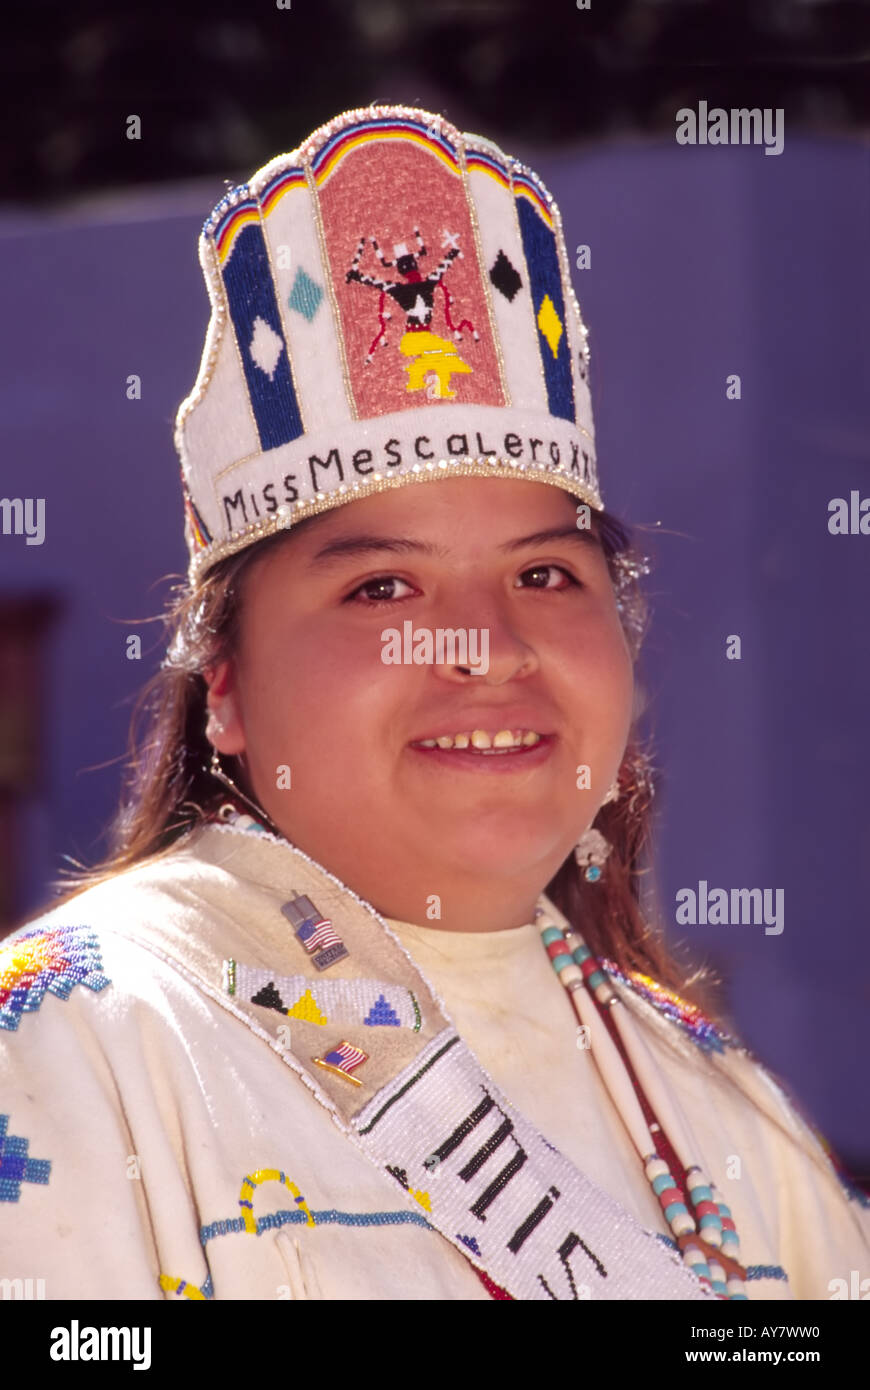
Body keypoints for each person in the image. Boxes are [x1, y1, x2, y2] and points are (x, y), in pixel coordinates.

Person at [1, 104, 867, 1303]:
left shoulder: (719, 1107)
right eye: (382, 584)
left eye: (546, 574)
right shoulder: (74, 1049)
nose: (486, 645)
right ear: (229, 689)